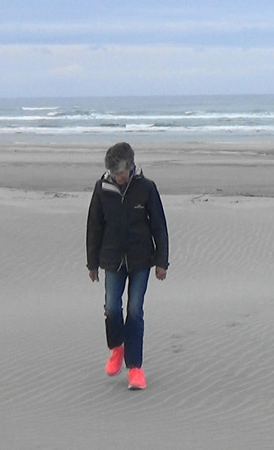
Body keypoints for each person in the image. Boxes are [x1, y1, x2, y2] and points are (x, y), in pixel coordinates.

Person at [86, 142, 169, 390]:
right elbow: (94, 227)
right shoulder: (102, 189)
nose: (118, 177)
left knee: (134, 311)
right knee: (112, 307)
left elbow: (159, 227)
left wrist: (162, 262)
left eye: (121, 173)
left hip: (141, 259)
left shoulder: (146, 188)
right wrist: (92, 263)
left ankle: (135, 369)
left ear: (131, 167)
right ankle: (117, 348)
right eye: (114, 174)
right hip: (111, 258)